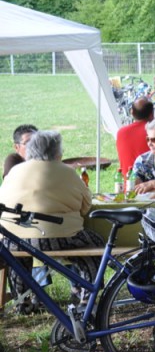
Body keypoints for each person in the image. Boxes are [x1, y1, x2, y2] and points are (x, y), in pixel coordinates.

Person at [0, 131, 104, 309]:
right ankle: (87, 298)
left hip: (12, 240)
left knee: (19, 258)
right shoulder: (68, 172)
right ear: (57, 151)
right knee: (96, 248)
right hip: (59, 238)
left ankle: (23, 302)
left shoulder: (15, 171)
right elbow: (86, 207)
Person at [116, 99, 152, 185]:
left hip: (127, 189)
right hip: (150, 191)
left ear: (131, 112)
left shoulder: (121, 133)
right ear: (151, 115)